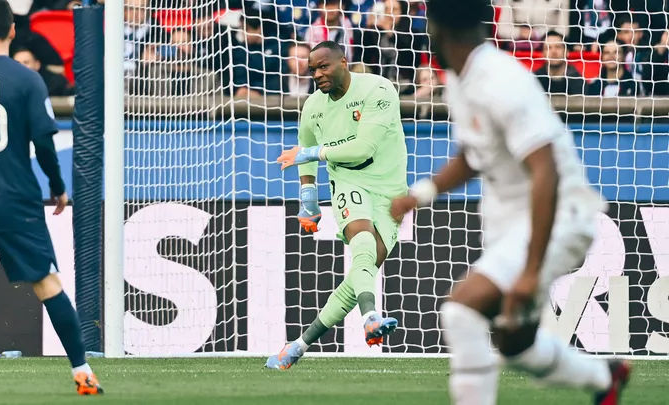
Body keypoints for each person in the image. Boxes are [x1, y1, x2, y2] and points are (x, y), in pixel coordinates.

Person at [389, 0, 631, 404]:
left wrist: (531, 271)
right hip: (513, 220)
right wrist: (421, 194)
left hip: (558, 215)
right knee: (514, 343)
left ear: (437, 31)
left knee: (461, 311)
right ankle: (605, 377)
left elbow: (546, 171)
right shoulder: (458, 78)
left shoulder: (502, 80)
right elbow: (473, 155)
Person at [0, 0, 102, 395]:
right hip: (15, 202)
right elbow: (43, 142)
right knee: (48, 286)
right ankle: (82, 372)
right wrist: (56, 186)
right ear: (12, 31)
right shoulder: (25, 80)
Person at [266, 40, 408, 369]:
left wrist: (310, 154)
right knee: (362, 243)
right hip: (347, 182)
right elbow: (305, 146)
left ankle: (298, 346)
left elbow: (363, 148)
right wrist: (308, 199)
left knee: (361, 272)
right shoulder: (314, 107)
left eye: (323, 66)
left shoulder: (378, 89)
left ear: (343, 62)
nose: (316, 74)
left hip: (390, 190)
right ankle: (371, 316)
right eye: (312, 69)